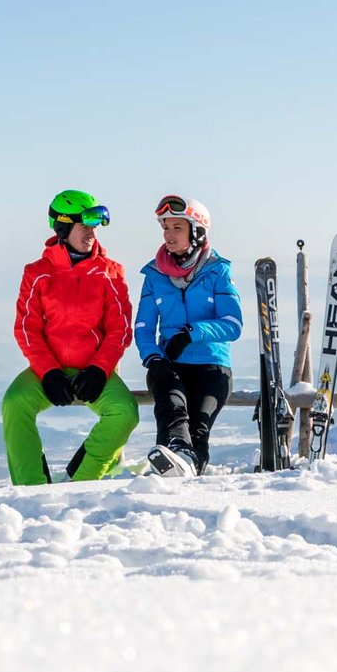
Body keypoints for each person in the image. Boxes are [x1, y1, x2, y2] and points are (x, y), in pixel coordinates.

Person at [2, 189, 139, 485]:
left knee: (125, 412)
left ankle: (81, 481)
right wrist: (48, 372)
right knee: (14, 402)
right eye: (84, 225)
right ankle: (31, 486)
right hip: (47, 370)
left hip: (93, 370)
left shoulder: (110, 273)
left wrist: (99, 370)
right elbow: (27, 329)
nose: (91, 233)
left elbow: (120, 329)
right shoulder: (37, 273)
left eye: (94, 225)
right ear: (63, 227)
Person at [133, 195, 242, 477]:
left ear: (197, 231)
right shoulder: (154, 275)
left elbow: (233, 323)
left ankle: (183, 465)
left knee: (198, 428)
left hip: (211, 364)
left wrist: (192, 333)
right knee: (171, 407)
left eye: (177, 228)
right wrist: (153, 357)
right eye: (165, 228)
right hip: (169, 362)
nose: (168, 235)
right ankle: (178, 456)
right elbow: (144, 327)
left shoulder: (218, 270)